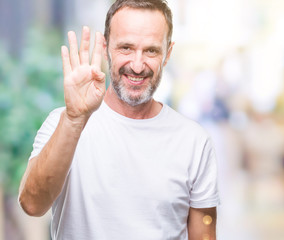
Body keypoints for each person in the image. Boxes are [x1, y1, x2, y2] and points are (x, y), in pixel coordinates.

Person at [18, 0, 220, 239]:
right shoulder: (62, 124)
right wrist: (74, 119)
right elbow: (32, 204)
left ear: (168, 53)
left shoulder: (194, 142)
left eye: (151, 50)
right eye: (126, 47)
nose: (137, 65)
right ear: (105, 48)